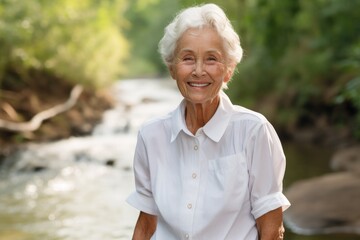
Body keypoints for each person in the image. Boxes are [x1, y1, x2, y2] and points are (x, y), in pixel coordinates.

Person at [126, 3, 290, 240]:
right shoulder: (150, 135)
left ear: (228, 70)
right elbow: (146, 225)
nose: (199, 71)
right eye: (188, 58)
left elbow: (272, 228)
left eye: (211, 59)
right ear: (172, 68)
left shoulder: (254, 131)